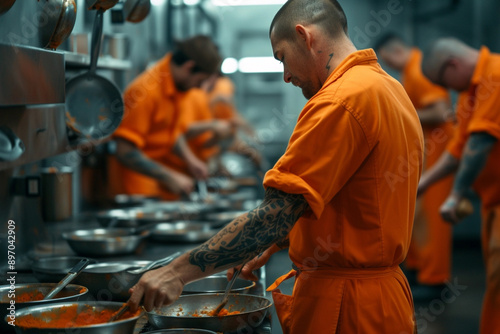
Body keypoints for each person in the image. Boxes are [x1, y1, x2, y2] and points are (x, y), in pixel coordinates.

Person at [128, 1, 423, 333]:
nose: (285, 76)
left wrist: (176, 272)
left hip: (349, 306)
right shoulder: (387, 87)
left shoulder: (339, 101)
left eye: (282, 57)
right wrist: (282, 241)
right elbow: (357, 203)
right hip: (383, 299)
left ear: (304, 36)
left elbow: (277, 212)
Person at [420, 37, 500, 334]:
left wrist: (455, 195)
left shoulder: (495, 76)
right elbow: (458, 148)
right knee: (495, 279)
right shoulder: (471, 92)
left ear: (452, 65)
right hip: (493, 202)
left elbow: (480, 142)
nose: (451, 90)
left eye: (446, 82)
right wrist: (422, 184)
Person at [374, 33, 455, 298]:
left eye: (388, 60)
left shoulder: (419, 69)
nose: (391, 66)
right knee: (420, 216)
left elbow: (442, 111)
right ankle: (422, 272)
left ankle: (435, 281)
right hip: (427, 152)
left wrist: (402, 113)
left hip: (439, 150)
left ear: (395, 51)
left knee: (432, 218)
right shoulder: (412, 70)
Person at [108, 36, 222, 200]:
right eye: (200, 80)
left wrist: (190, 160)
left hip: (157, 184)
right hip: (135, 190)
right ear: (189, 67)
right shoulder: (145, 92)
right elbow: (124, 150)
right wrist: (169, 176)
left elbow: (169, 132)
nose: (199, 87)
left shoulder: (176, 89)